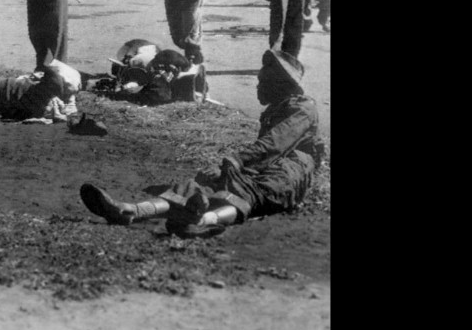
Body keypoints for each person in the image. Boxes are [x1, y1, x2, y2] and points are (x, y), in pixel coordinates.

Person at [80, 49, 324, 238]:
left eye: (263, 82)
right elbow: (265, 152)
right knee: (204, 182)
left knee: (255, 191)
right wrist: (229, 166)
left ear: (280, 85)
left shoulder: (302, 108)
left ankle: (201, 221)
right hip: (264, 163)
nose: (258, 87)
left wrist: (236, 161)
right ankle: (130, 211)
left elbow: (275, 144)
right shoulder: (279, 107)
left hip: (290, 169)